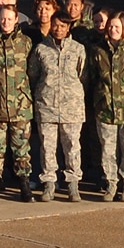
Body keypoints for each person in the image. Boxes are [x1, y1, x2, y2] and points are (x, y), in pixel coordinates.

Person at [0, 2, 36, 199]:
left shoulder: (26, 43)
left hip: (20, 106)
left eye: (9, 19)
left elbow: (32, 72)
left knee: (21, 149)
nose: (5, 22)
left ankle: (24, 185)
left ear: (16, 20)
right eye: (2, 18)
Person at [29, 14, 88, 201]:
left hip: (72, 108)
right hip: (47, 106)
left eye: (63, 26)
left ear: (68, 28)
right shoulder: (41, 49)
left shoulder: (78, 49)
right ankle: (49, 183)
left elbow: (83, 77)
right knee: (47, 148)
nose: (58, 29)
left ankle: (73, 184)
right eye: (55, 25)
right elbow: (33, 75)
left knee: (72, 147)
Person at [87, 11, 124, 203]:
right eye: (111, 26)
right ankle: (111, 183)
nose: (113, 30)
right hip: (105, 108)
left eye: (117, 27)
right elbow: (92, 78)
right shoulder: (98, 51)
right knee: (108, 150)